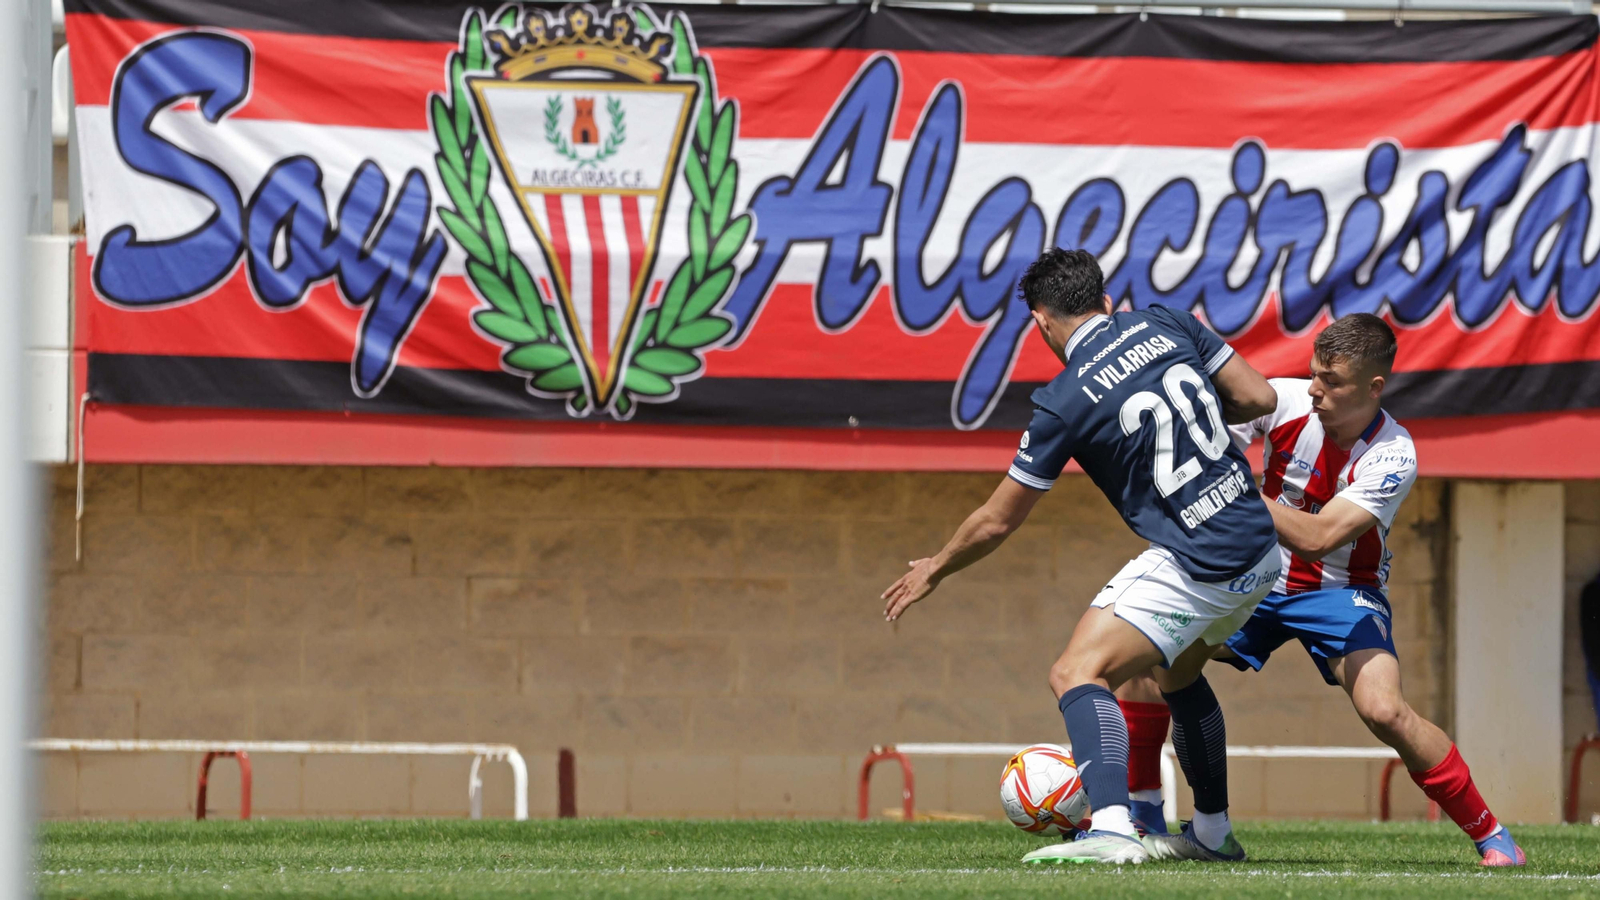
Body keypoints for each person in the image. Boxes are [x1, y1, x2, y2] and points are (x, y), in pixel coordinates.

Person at [881, 248, 1281, 865]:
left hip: (1202, 559)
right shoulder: (1169, 321)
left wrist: (934, 566)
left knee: (1075, 672)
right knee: (1177, 673)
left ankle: (1115, 828)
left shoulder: (1063, 400)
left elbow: (995, 521)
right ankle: (1212, 833)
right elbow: (1257, 397)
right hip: (1258, 546)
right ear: (1106, 301)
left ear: (1041, 323)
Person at [1125, 313, 1527, 867]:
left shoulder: (1393, 453)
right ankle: (1154, 816)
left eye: (1332, 380)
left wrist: (1234, 489)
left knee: (1384, 710)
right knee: (1150, 652)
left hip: (1341, 589)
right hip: (1256, 576)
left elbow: (1317, 539)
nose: (1315, 389)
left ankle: (1492, 834)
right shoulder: (1283, 401)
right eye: (1314, 373)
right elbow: (1204, 448)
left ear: (1373, 387)